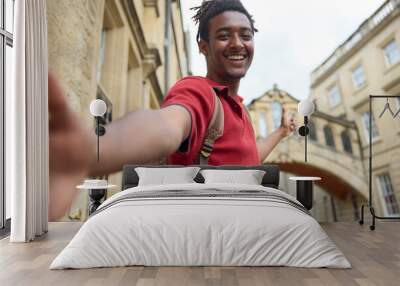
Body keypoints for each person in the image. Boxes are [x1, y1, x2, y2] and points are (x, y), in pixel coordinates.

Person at [48, 0, 295, 220]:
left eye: (246, 35)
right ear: (203, 46)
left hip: (245, 230)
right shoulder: (199, 91)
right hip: (206, 230)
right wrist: (91, 151)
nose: (237, 43)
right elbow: (166, 126)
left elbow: (248, 159)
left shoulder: (240, 108)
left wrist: (281, 132)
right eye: (223, 35)